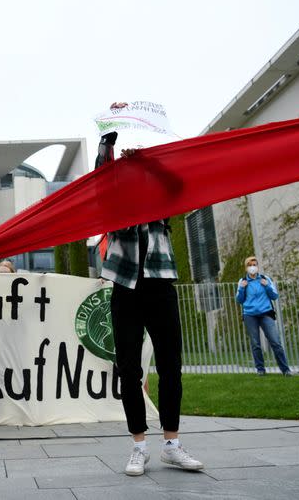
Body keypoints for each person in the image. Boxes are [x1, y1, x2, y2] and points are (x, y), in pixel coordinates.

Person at [95, 104, 204, 477]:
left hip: (160, 283)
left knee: (170, 362)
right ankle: (138, 446)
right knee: (129, 367)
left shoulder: (161, 197)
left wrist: (148, 163)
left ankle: (172, 444)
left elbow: (179, 186)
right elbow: (100, 178)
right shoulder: (114, 203)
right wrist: (107, 140)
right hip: (125, 287)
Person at [236, 256, 292, 376]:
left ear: (257, 266)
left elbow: (274, 296)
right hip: (250, 315)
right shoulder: (242, 281)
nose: (252, 267)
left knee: (275, 342)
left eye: (254, 264)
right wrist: (241, 288)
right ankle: (260, 369)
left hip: (266, 313)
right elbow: (239, 300)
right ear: (246, 268)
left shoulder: (265, 279)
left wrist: (266, 285)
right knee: (255, 343)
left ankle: (285, 369)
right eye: (250, 265)